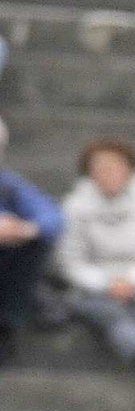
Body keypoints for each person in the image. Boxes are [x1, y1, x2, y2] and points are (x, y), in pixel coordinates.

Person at [53, 141, 135, 384]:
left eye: (115, 166)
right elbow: (70, 259)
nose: (108, 174)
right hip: (96, 283)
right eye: (100, 168)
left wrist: (133, 279)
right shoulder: (75, 206)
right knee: (110, 314)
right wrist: (107, 282)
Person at [0, 119, 64, 371]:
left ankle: (5, 325)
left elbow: (52, 217)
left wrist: (24, 229)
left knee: (37, 243)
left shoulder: (8, 185)